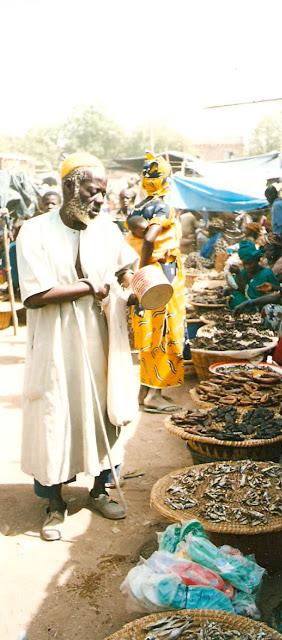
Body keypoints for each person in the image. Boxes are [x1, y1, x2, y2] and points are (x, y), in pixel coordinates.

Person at [16, 152, 139, 541]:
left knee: (104, 409)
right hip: (55, 342)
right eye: (92, 191)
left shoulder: (107, 229)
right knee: (55, 414)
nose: (100, 200)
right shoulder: (33, 231)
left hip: (102, 335)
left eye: (103, 192)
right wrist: (90, 286)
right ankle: (54, 502)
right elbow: (34, 296)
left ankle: (100, 490)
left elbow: (126, 270)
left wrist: (138, 287)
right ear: (70, 187)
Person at [128, 153, 185, 413]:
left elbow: (137, 230)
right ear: (165, 180)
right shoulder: (162, 207)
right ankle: (155, 395)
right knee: (164, 332)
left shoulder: (137, 207)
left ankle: (144, 391)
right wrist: (144, 268)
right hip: (161, 273)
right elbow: (150, 238)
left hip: (151, 272)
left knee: (149, 330)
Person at [228, 240, 280, 309]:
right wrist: (238, 274)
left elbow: (278, 293)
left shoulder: (267, 273)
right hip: (246, 302)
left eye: (250, 263)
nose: (247, 267)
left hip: (261, 305)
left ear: (257, 260)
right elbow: (242, 290)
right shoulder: (243, 272)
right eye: (245, 264)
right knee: (235, 295)